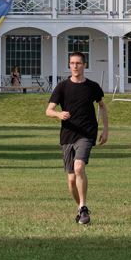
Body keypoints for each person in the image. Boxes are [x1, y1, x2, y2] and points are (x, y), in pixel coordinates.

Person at [46, 51, 108, 225]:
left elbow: (102, 106)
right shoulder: (62, 87)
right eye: (72, 63)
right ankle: (80, 208)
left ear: (84, 65)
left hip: (86, 133)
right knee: (71, 179)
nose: (75, 66)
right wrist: (58, 114)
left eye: (78, 63)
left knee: (79, 167)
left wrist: (105, 130)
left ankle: (84, 206)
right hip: (67, 135)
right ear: (69, 65)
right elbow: (48, 110)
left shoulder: (92, 87)